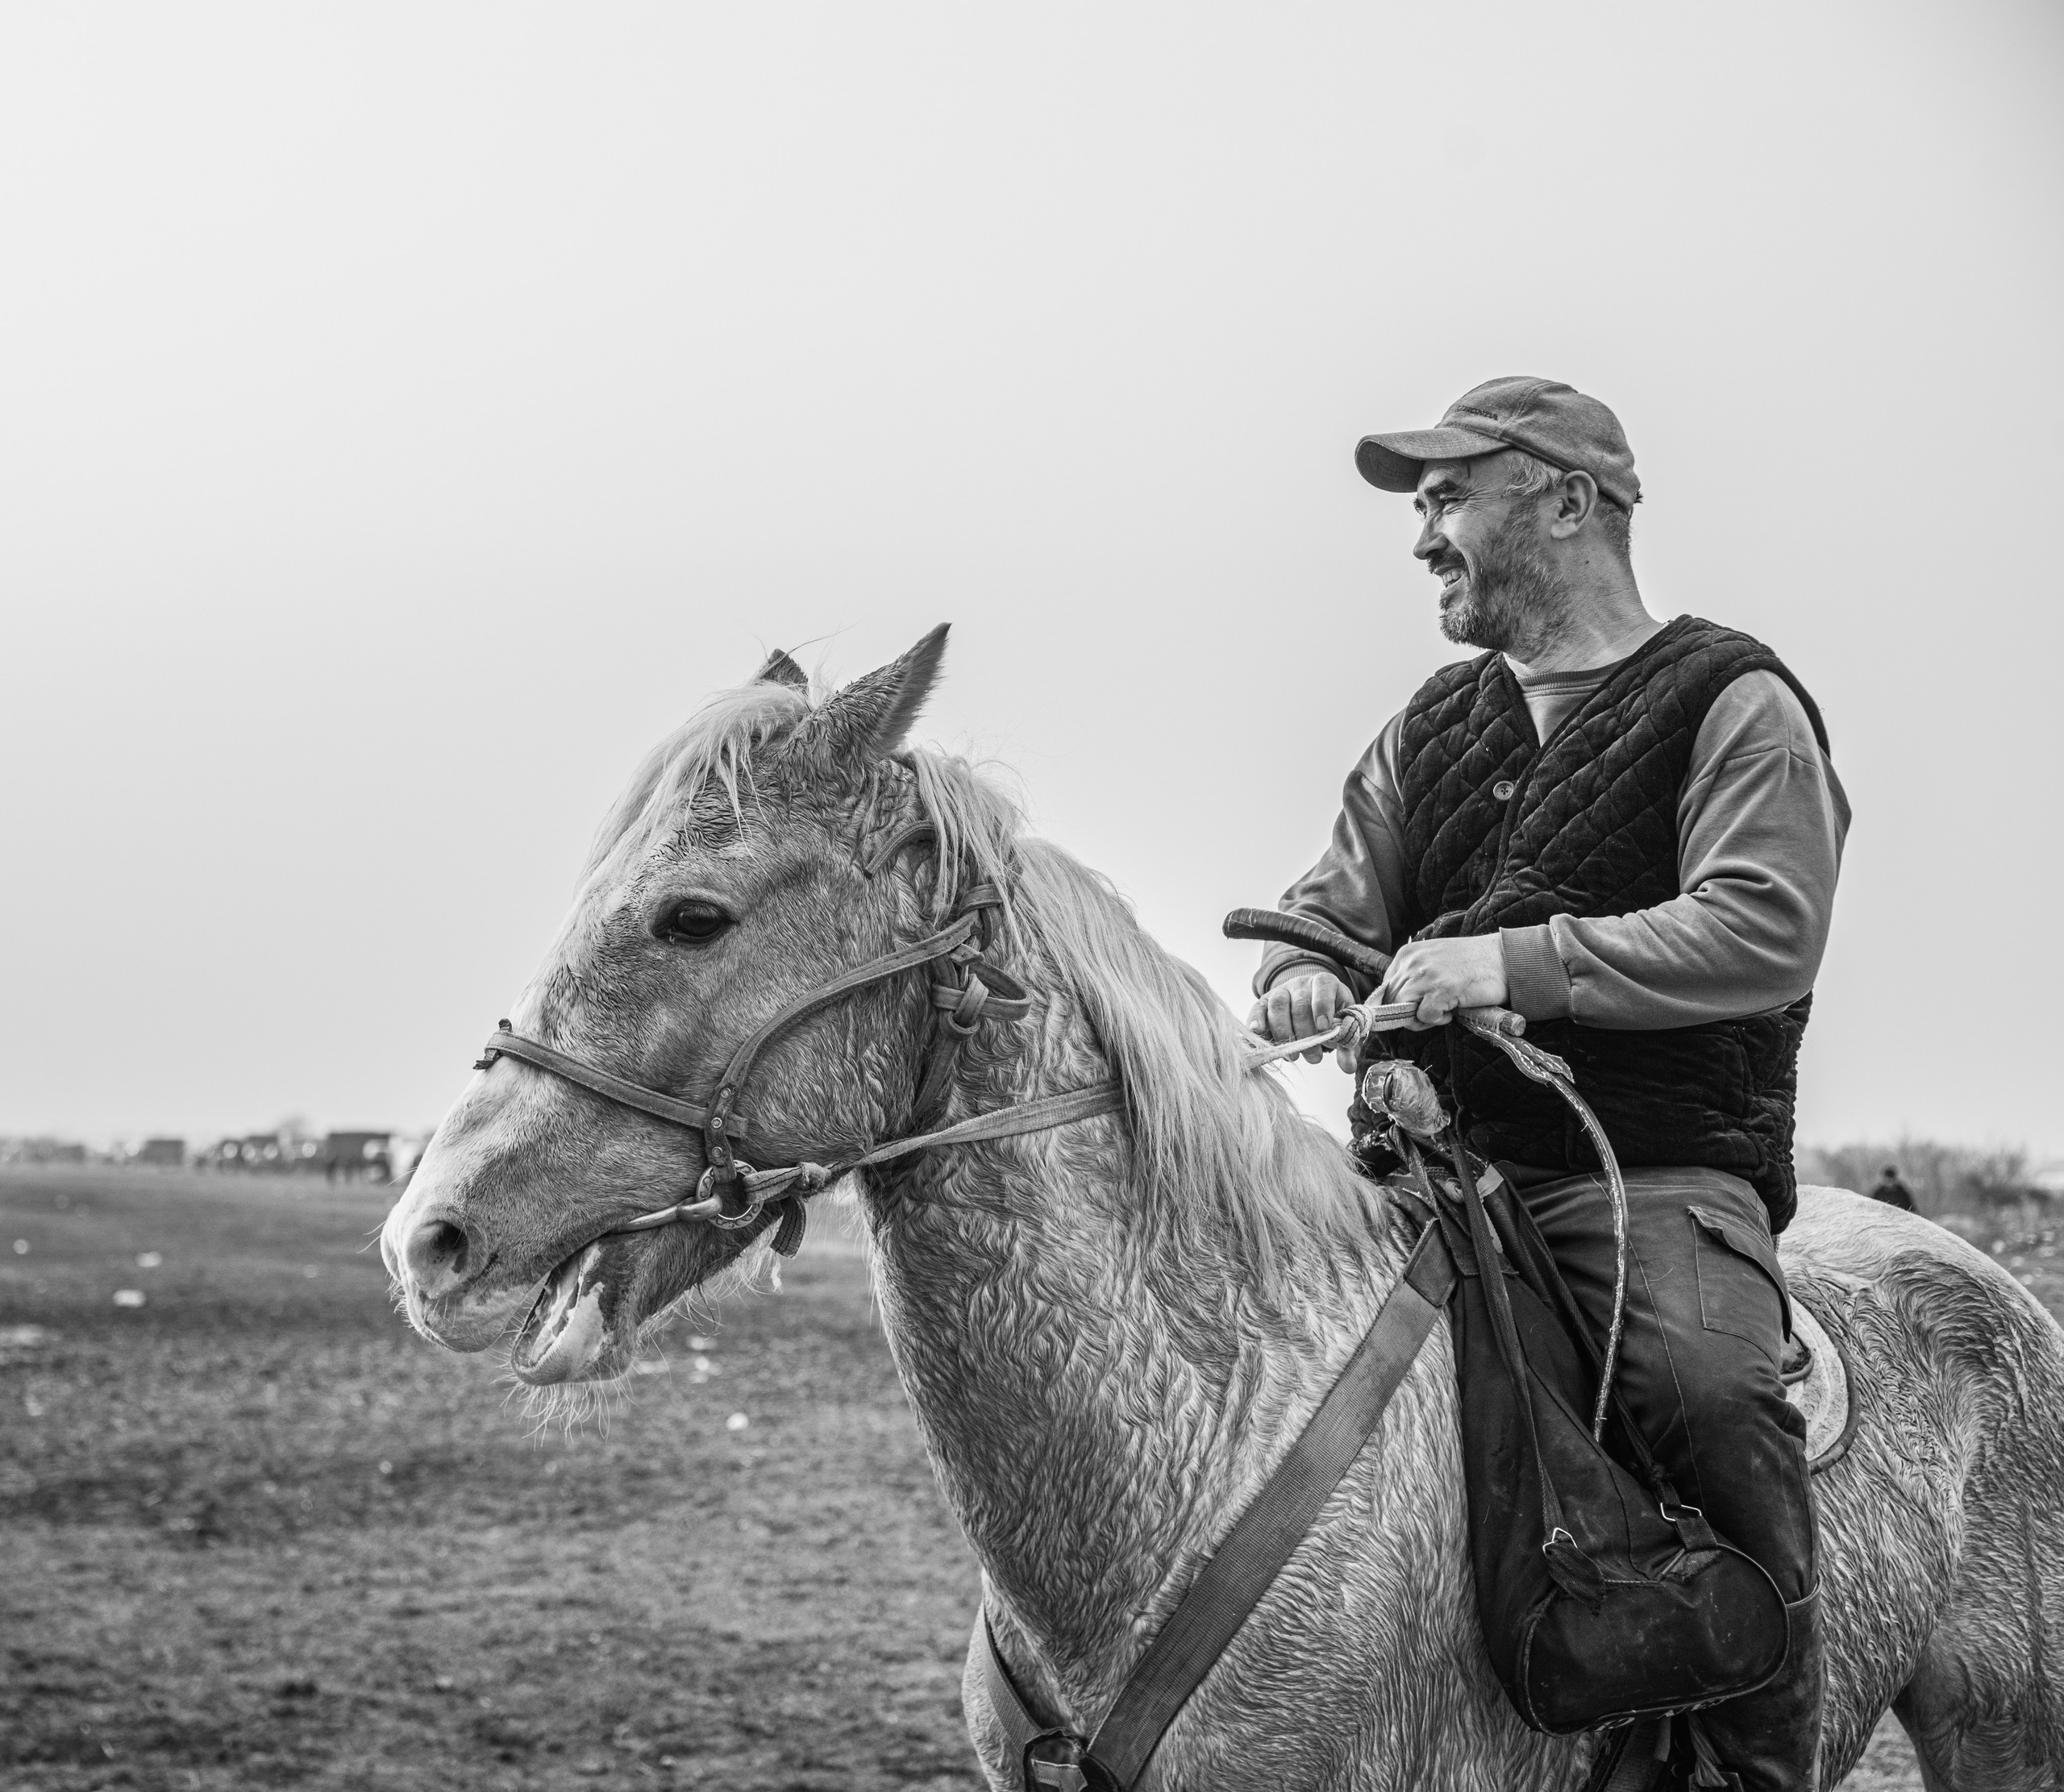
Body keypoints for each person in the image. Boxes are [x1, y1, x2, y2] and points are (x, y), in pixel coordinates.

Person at [1250, 377, 1850, 1792]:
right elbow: (1329, 909)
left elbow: (1766, 925)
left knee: (1707, 1399)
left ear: (1568, 501)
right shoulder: (1428, 727)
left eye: (1449, 497)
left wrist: (1508, 965)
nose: (1421, 538)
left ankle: (1754, 1756)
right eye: (1420, 508)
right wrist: (1307, 977)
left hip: (1643, 1177)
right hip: (1421, 1179)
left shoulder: (1733, 697)